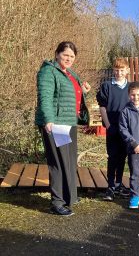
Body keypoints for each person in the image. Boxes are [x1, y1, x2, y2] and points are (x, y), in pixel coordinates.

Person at [35, 41, 91, 216]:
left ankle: (69, 196)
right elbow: (45, 97)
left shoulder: (71, 74)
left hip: (69, 123)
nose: (68, 59)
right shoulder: (48, 71)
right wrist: (48, 120)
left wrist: (83, 91)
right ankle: (57, 202)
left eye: (72, 56)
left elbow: (68, 97)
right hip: (56, 124)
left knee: (68, 161)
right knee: (58, 163)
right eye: (65, 55)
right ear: (57, 53)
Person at [96, 58, 130, 201]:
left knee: (122, 157)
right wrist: (108, 125)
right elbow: (102, 106)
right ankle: (110, 186)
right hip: (112, 126)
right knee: (112, 156)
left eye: (122, 70)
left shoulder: (131, 87)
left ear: (127, 71)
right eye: (116, 70)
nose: (119, 72)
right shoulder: (106, 86)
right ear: (113, 70)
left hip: (126, 128)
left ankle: (118, 184)